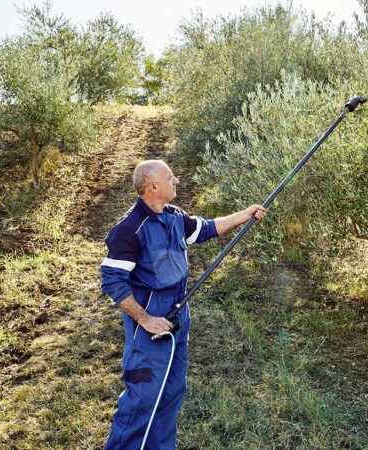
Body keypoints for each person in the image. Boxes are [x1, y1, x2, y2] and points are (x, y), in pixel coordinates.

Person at [100, 159, 266, 449]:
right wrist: (145, 318)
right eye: (170, 177)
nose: (176, 180)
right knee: (143, 396)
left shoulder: (174, 216)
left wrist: (246, 214)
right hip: (150, 320)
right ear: (152, 186)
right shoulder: (129, 229)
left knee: (171, 392)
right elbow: (112, 280)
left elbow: (207, 229)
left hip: (179, 314)